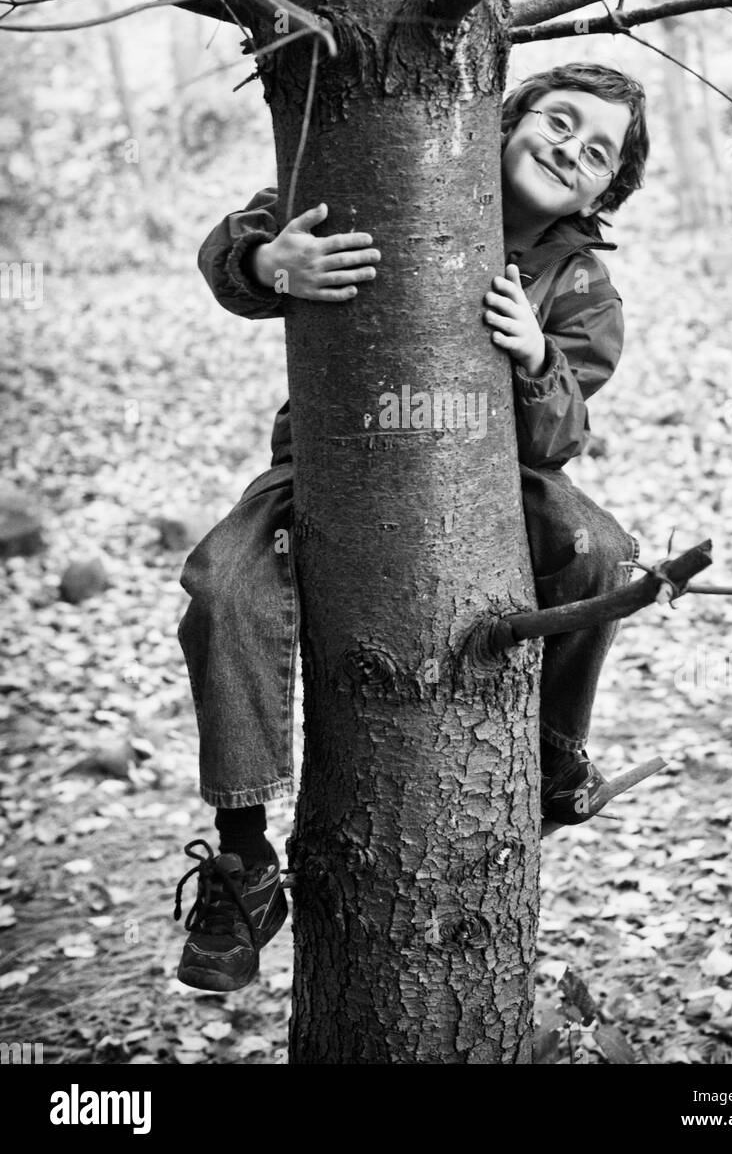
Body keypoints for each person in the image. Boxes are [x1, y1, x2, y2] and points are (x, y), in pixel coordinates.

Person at [173, 62, 650, 991]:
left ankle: (554, 755)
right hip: (330, 458)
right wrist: (270, 263)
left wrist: (535, 352)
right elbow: (243, 237)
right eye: (559, 122)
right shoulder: (394, 172)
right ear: (506, 120)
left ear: (606, 190)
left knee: (602, 551)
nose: (570, 150)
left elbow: (562, 436)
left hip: (497, 478)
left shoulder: (579, 279)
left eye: (598, 153)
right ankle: (244, 857)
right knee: (224, 586)